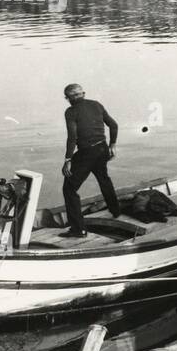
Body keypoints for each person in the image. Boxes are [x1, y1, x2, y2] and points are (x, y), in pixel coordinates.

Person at [60, 83, 120, 237]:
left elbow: (72, 137)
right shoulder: (96, 105)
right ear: (83, 94)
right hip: (102, 149)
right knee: (103, 178)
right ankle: (116, 210)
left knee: (69, 189)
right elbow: (114, 125)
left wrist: (68, 159)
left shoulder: (71, 111)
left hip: (87, 152)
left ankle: (78, 229)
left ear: (67, 98)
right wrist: (112, 145)